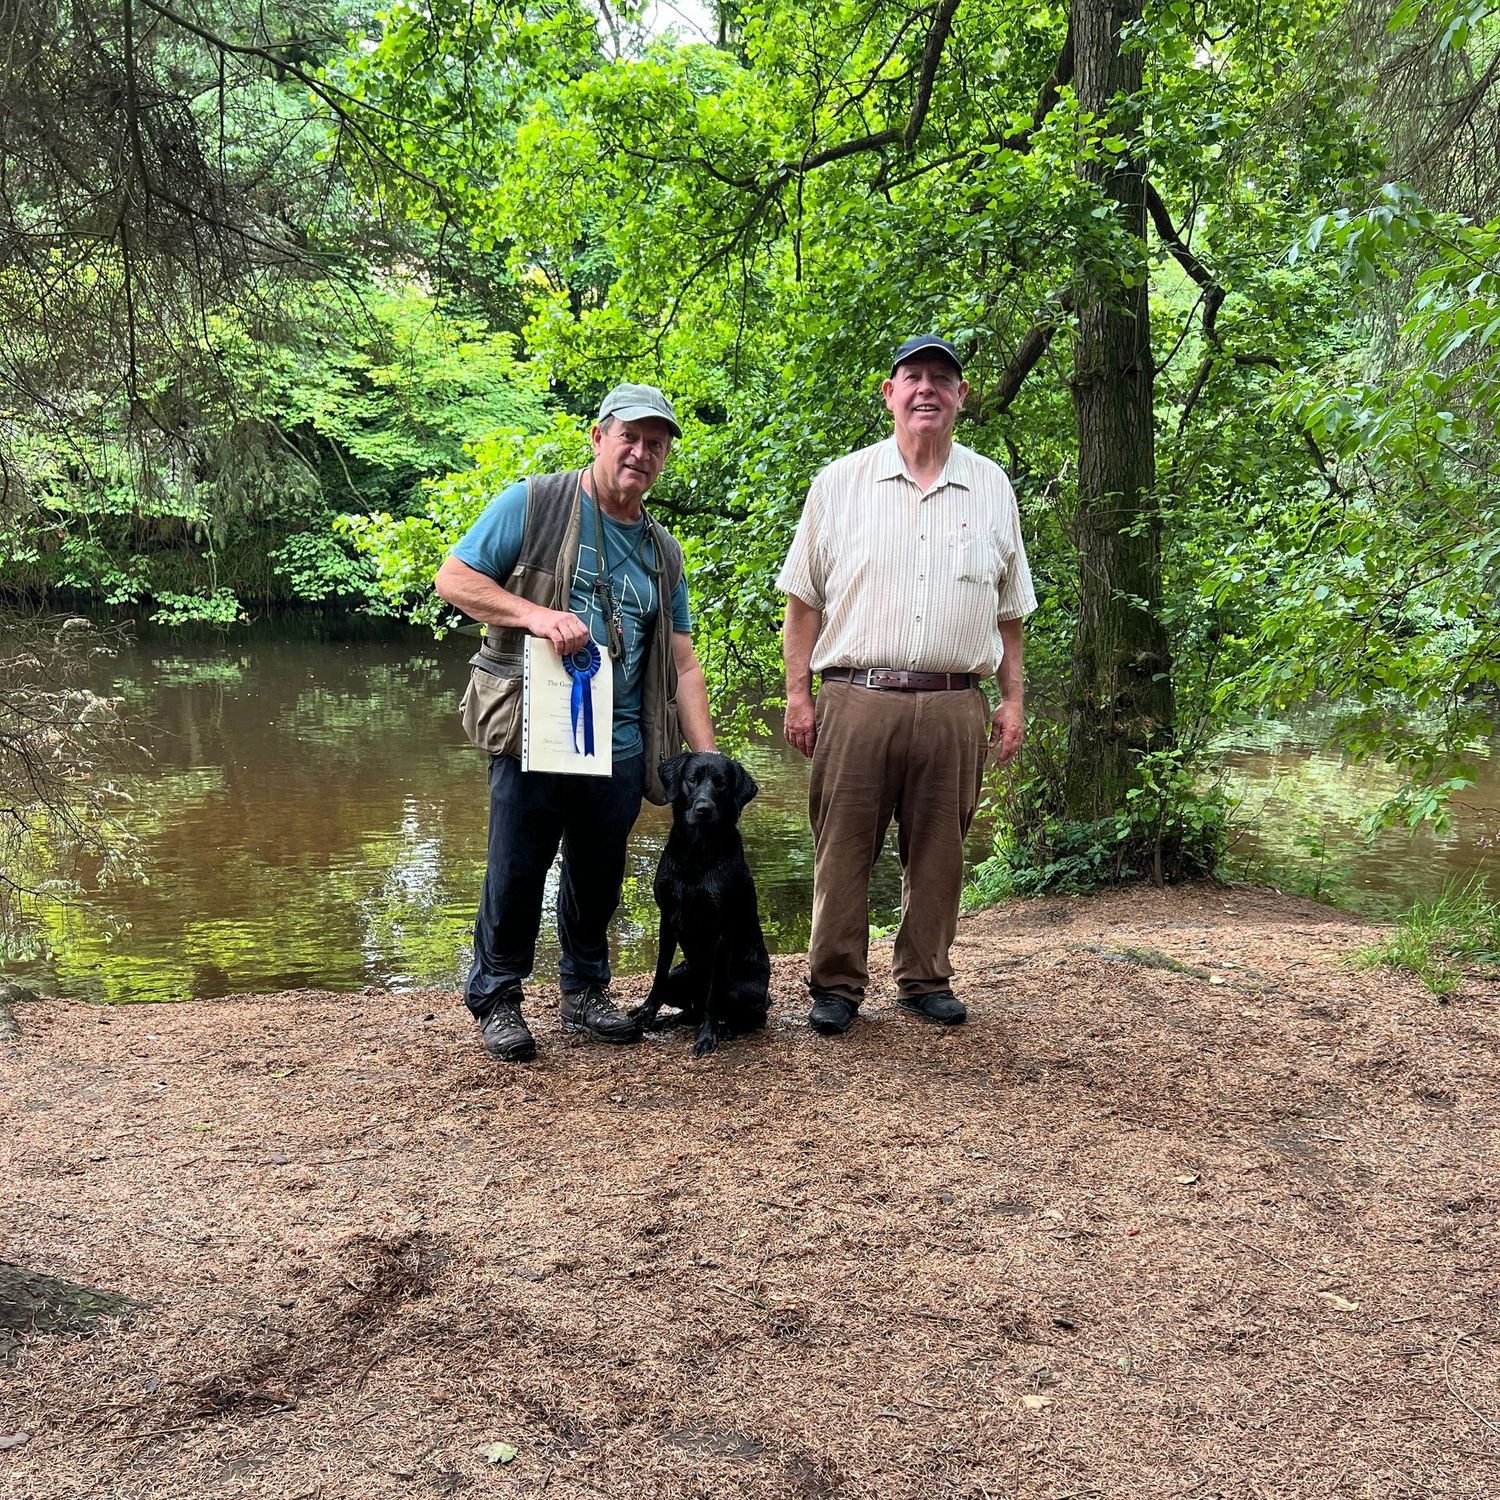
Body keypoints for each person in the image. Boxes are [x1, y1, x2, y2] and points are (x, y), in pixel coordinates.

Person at [434, 383, 714, 1063]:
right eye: (631, 438)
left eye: (656, 444)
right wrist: (534, 615)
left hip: (619, 747)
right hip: (536, 733)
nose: (642, 454)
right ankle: (498, 996)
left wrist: (708, 767)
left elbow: (682, 664)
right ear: (598, 436)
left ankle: (584, 993)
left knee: (598, 876)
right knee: (516, 870)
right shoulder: (533, 503)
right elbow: (455, 579)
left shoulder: (662, 552)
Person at [777, 334, 1036, 1036]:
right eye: (912, 377)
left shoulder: (991, 487)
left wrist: (1012, 701)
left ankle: (925, 977)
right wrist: (799, 697)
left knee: (940, 851)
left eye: (941, 380)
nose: (927, 389)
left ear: (961, 397)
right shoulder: (840, 483)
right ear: (889, 393)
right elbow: (802, 602)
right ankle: (834, 985)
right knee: (843, 847)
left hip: (956, 700)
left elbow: (1010, 612)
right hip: (856, 697)